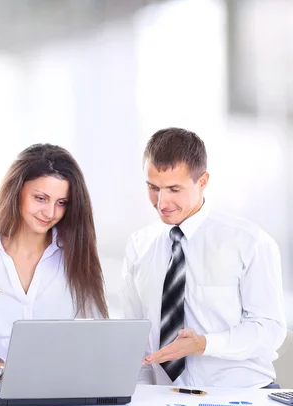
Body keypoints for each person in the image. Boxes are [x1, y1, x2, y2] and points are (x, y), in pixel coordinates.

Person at [121, 127, 287, 388]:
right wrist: (140, 393)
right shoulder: (139, 245)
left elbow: (269, 330)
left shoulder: (249, 241)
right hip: (165, 401)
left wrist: (205, 344)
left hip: (241, 398)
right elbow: (133, 336)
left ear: (203, 181)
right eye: (153, 187)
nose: (162, 202)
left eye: (174, 189)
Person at [0, 144, 109, 381]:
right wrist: (2, 373)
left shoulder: (77, 258)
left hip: (61, 393)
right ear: (16, 191)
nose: (50, 212)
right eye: (40, 198)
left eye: (61, 202)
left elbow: (99, 338)